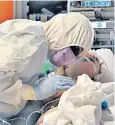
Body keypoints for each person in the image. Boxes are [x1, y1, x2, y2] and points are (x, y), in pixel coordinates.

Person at [0, 12, 94, 119]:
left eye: (77, 57)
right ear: (64, 34)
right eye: (75, 51)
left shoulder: (39, 45)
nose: (71, 59)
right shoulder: (33, 43)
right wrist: (33, 91)